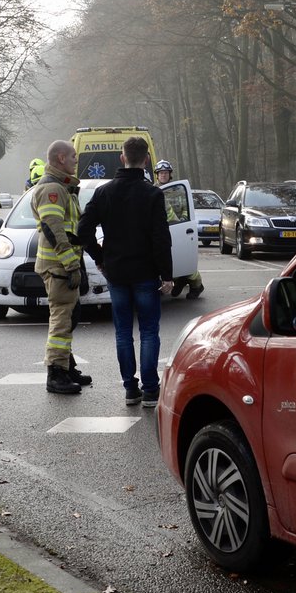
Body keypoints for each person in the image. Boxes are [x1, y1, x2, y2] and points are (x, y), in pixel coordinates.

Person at [77, 136, 173, 408]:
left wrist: (100, 257)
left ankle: (130, 388)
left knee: (122, 332)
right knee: (149, 331)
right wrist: (167, 275)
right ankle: (151, 389)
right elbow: (161, 238)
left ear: (122, 158)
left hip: (116, 272)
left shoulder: (104, 192)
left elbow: (83, 231)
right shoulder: (153, 194)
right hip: (146, 272)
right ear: (146, 160)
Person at [35, 141, 92, 394]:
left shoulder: (62, 187)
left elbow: (70, 231)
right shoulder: (52, 189)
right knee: (61, 319)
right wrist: (71, 264)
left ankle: (67, 367)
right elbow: (53, 229)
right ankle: (56, 374)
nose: (75, 160)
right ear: (60, 158)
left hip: (63, 265)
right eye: (72, 156)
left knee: (69, 316)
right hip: (58, 266)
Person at [151, 159, 204, 300]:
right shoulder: (153, 191)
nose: (163, 175)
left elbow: (186, 208)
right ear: (157, 175)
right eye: (160, 173)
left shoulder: (179, 190)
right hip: (162, 230)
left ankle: (197, 285)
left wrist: (183, 220)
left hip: (179, 229)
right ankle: (179, 281)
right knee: (169, 260)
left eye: (165, 173)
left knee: (182, 260)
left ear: (170, 174)